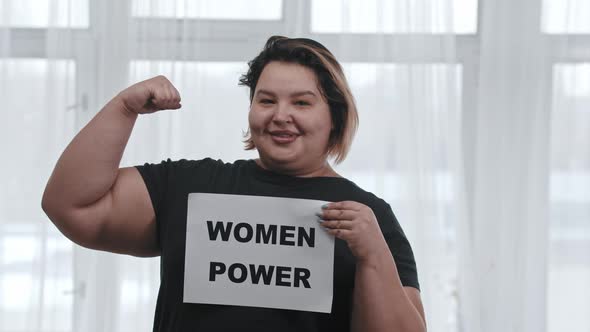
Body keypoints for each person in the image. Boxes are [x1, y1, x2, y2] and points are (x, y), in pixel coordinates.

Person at [42, 36, 426, 332]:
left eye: (302, 103)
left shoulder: (369, 218)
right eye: (266, 100)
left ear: (335, 118)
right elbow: (72, 205)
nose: (281, 116)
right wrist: (124, 108)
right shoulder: (191, 185)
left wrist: (373, 254)